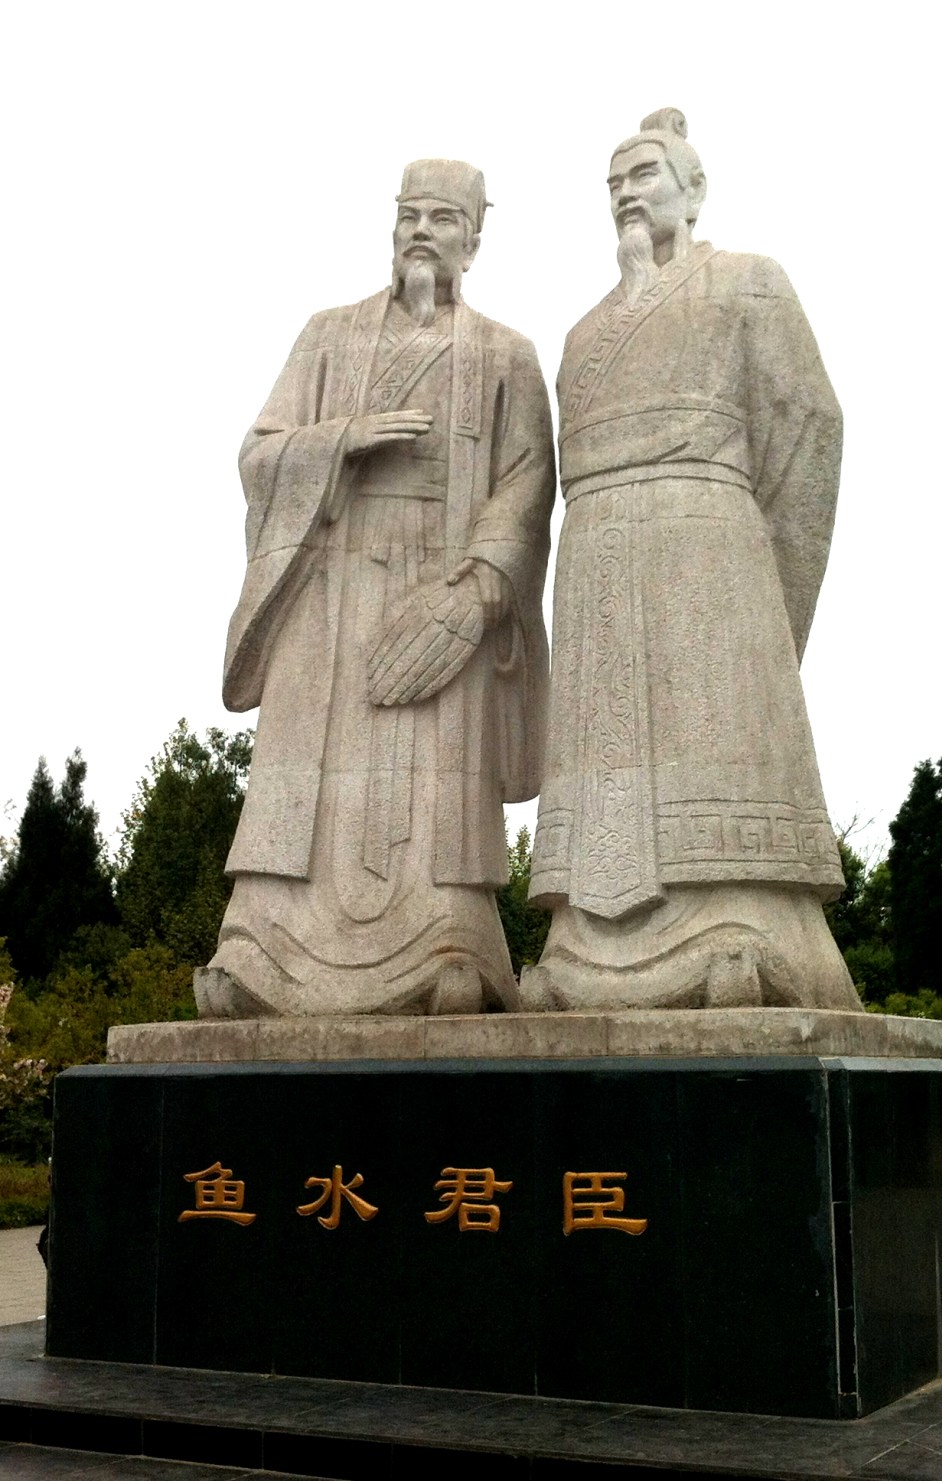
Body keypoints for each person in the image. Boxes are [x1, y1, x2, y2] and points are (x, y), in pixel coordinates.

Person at [195, 160, 554, 1018]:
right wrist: (339, 440)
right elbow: (258, 451)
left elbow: (531, 485)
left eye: (441, 218)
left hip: (442, 596)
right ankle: (263, 947)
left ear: (474, 239)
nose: (422, 232)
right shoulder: (329, 337)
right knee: (305, 775)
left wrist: (474, 598)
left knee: (437, 782)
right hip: (330, 592)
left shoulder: (506, 354)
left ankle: (451, 945)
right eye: (408, 216)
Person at [525, 109, 861, 1013]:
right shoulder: (582, 334)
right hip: (596, 553)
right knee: (604, 765)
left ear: (694, 190)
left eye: (644, 175)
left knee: (716, 743)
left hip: (710, 551)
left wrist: (760, 582)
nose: (628, 193)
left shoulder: (750, 282)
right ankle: (587, 944)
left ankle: (740, 916)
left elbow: (807, 428)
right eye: (614, 182)